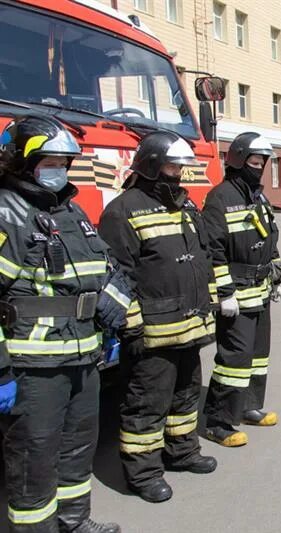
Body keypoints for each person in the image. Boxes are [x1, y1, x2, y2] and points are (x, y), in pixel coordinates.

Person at [0, 115, 129, 532]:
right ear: (22, 162)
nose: (59, 170)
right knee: (33, 458)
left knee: (78, 446)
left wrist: (113, 316)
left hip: (83, 354)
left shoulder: (69, 209)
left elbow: (105, 266)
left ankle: (74, 522)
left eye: (64, 162)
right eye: (49, 161)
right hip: (34, 366)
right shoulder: (7, 213)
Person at [98, 131, 217, 503]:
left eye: (181, 168)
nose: (178, 174)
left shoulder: (184, 205)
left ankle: (181, 452)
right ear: (151, 167)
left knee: (184, 395)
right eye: (171, 166)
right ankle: (142, 473)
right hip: (152, 331)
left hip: (189, 325)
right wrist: (132, 324)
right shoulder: (123, 210)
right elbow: (113, 275)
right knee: (146, 404)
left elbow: (201, 257)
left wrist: (211, 302)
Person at [201, 132, 281, 448]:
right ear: (237, 160)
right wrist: (224, 293)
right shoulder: (220, 198)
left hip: (260, 291)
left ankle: (249, 406)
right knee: (233, 360)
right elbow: (213, 249)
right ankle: (218, 422)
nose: (259, 166)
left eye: (263, 161)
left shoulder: (257, 196)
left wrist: (275, 272)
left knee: (258, 356)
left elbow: (270, 236)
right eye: (254, 160)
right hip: (236, 294)